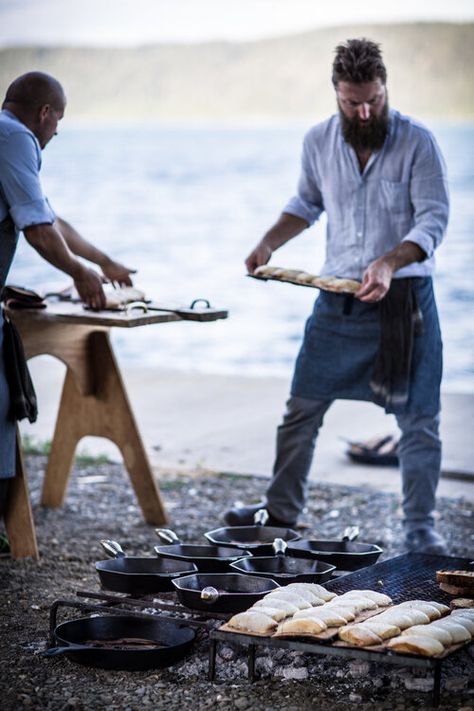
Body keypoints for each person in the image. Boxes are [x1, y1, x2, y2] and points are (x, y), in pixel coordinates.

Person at [225, 39, 449, 555]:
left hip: (405, 300)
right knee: (302, 406)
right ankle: (279, 513)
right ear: (336, 94)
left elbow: (433, 219)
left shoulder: (420, 142)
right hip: (336, 298)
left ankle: (419, 526)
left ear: (385, 87)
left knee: (420, 418)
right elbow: (306, 203)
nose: (364, 111)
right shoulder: (317, 141)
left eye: (373, 99)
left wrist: (390, 262)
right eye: (352, 102)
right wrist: (267, 241)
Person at [0, 71, 135, 519]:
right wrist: (80, 275)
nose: (57, 129)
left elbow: (48, 217)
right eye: (58, 119)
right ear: (44, 113)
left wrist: (103, 263)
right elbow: (38, 231)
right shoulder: (18, 138)